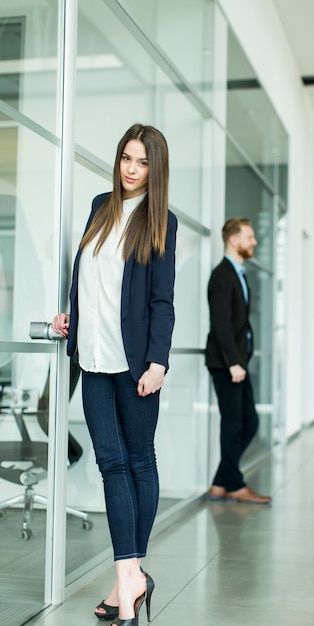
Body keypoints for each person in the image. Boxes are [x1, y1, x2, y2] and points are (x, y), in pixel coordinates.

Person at [52, 123, 176, 626]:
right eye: (126, 157)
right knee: (111, 464)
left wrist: (158, 361)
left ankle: (126, 588)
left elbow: (162, 301)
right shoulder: (101, 206)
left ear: (155, 168)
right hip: (91, 357)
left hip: (135, 365)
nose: (131, 169)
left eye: (142, 162)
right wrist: (69, 317)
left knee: (139, 463)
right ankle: (133, 580)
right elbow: (87, 279)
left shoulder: (159, 219)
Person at [205, 218, 271, 505]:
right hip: (226, 364)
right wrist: (233, 362)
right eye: (250, 236)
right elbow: (220, 323)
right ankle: (234, 485)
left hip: (237, 362)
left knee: (250, 422)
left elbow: (239, 322)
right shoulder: (222, 275)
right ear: (234, 240)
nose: (254, 241)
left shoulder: (238, 274)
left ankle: (221, 482)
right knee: (234, 424)